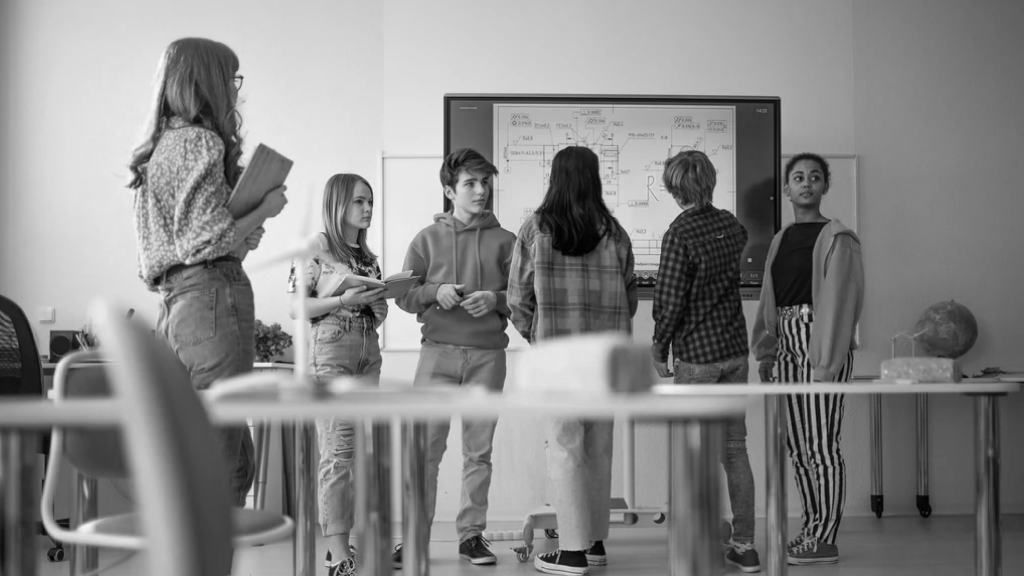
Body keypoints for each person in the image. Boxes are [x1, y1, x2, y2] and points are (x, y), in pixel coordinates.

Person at [128, 37, 287, 506]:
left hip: (177, 307)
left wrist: (238, 236)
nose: (235, 91)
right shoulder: (201, 140)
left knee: (212, 446)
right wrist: (263, 210)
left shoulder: (156, 149)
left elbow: (183, 247)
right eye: (231, 79)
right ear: (209, 83)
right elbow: (207, 242)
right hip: (212, 300)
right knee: (224, 456)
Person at [508, 146, 638, 576]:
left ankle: (572, 553)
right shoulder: (615, 233)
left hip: (558, 359)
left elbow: (517, 300)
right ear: (595, 178)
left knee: (565, 450)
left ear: (556, 177)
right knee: (599, 448)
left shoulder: (535, 228)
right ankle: (596, 543)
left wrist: (539, 339)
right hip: (604, 360)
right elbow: (630, 297)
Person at [393, 148, 516, 568]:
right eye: (470, 183)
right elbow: (404, 296)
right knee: (423, 452)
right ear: (450, 190)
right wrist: (434, 291)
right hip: (437, 357)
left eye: (485, 183)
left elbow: (523, 297)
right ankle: (412, 538)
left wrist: (495, 298)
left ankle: (472, 536)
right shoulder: (426, 240)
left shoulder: (507, 241)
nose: (481, 191)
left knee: (478, 453)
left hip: (487, 358)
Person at [751, 152, 864, 566]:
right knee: (798, 448)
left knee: (821, 446)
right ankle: (811, 529)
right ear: (786, 188)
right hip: (786, 347)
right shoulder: (780, 239)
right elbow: (770, 298)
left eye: (815, 177)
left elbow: (840, 305)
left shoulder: (839, 238)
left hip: (820, 345)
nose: (806, 183)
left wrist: (826, 364)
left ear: (824, 187)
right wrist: (766, 351)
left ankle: (825, 537)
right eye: (797, 177)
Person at [650, 150, 760, 573]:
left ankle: (698, 540)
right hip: (734, 351)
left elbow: (670, 300)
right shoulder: (732, 225)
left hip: (696, 356)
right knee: (735, 451)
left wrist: (659, 347)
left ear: (674, 189)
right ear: (711, 182)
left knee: (694, 454)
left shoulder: (679, 233)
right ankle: (745, 546)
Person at [287, 174, 387, 576]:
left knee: (362, 454)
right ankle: (337, 556)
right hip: (333, 350)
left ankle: (345, 548)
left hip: (367, 350)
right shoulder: (317, 247)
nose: (367, 209)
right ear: (339, 203)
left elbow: (375, 314)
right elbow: (297, 309)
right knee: (337, 453)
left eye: (370, 202)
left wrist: (378, 304)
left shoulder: (368, 257)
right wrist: (343, 298)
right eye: (360, 201)